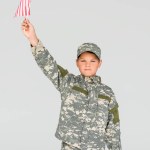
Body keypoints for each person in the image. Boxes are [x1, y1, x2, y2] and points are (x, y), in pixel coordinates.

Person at [21, 18, 122, 150]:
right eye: (83, 60)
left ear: (100, 64)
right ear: (77, 63)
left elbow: (113, 127)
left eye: (93, 61)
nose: (87, 64)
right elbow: (48, 64)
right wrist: (33, 38)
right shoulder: (68, 82)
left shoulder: (107, 93)